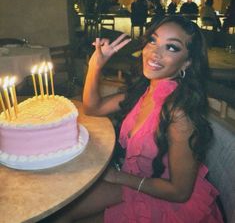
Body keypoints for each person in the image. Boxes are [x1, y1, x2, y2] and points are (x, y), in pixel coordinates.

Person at [50, 15, 224, 223]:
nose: (154, 53)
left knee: (65, 214)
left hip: (164, 199)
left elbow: (180, 192)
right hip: (132, 181)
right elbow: (93, 107)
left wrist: (118, 177)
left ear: (187, 63)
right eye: (153, 40)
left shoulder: (179, 113)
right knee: (62, 208)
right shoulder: (145, 90)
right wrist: (95, 66)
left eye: (171, 48)